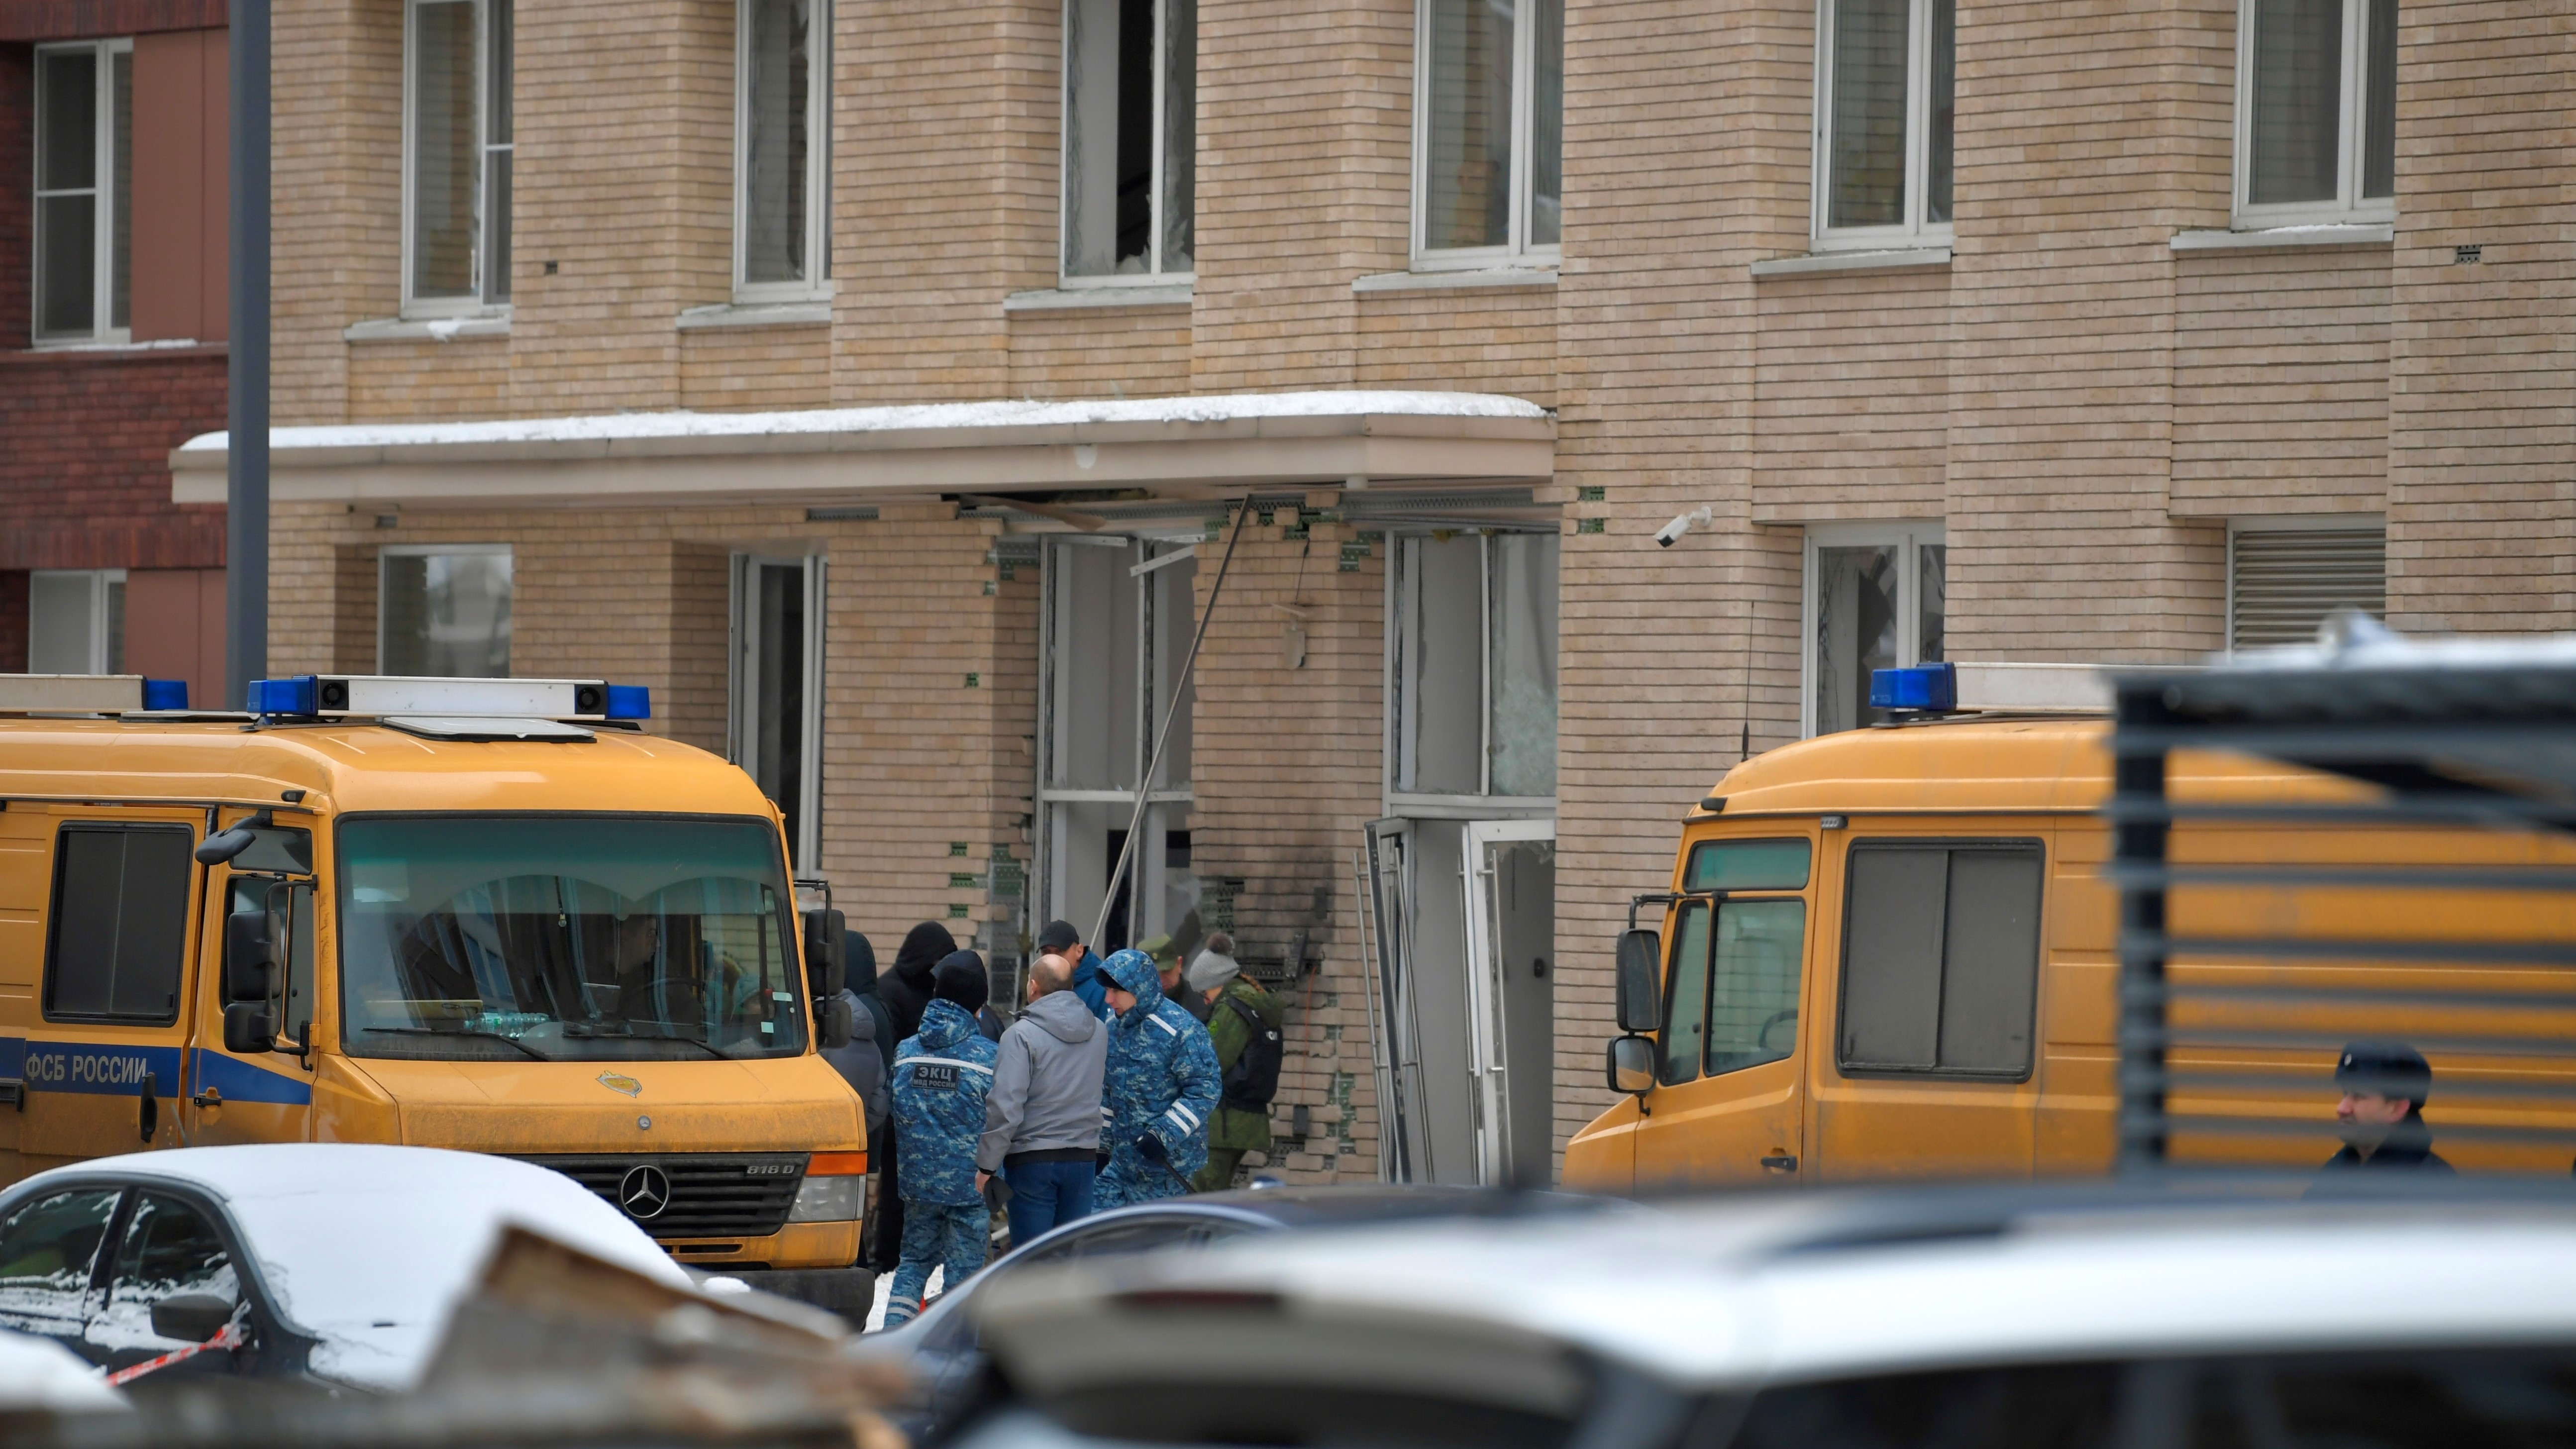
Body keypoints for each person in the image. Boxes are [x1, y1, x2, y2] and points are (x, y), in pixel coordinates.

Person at [884, 952, 1002, 1328]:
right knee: (963, 1278)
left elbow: (893, 1105)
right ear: (977, 1008)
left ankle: (892, 1339)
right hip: (969, 1189)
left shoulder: (905, 1051)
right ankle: (950, 1354)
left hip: (917, 1186)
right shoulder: (989, 1058)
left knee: (913, 1265)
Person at [976, 952, 1110, 1243]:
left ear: (1033, 986)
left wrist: (987, 1165)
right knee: (1069, 1257)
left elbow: (1006, 1106)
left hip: (1032, 1161)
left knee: (1033, 1261)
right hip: (1084, 1158)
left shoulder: (1020, 1035)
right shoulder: (1099, 1032)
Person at [1095, 948, 1221, 1208]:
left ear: (1138, 988)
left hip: (1168, 1171)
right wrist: (1100, 1148)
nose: (1108, 999)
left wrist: (1163, 1134)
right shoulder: (1111, 1027)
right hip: (1120, 1165)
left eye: (1115, 991)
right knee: (1096, 1236)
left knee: (1155, 1246)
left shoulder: (1181, 1030)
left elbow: (1205, 1089)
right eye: (1107, 990)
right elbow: (1108, 1091)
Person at [868, 921, 959, 1274]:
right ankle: (889, 1260)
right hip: (900, 1112)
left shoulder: (929, 991)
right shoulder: (890, 991)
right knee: (895, 1193)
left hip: (930, 1112)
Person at [1185, 934, 1280, 1193]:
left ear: (1218, 982)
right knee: (1217, 1191)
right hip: (1244, 1120)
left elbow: (1211, 1062)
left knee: (1202, 1194)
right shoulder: (1254, 998)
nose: (1205, 1000)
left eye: (1205, 993)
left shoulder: (1232, 1009)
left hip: (1224, 1123)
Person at [2322, 1041, 2454, 1173]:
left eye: (2359, 1096)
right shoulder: (2335, 1170)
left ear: (2397, 1109)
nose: (2341, 1108)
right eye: (2345, 1093)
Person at [819, 932, 890, 1148]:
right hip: (855, 1145)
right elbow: (879, 1103)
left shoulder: (811, 1029)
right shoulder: (870, 1023)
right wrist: (852, 1131)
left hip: (807, 1149)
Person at [1038, 919, 1111, 1021]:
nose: (1053, 958)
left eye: (1059, 951)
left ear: (1079, 951)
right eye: (1046, 952)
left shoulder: (1103, 987)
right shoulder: (1040, 985)